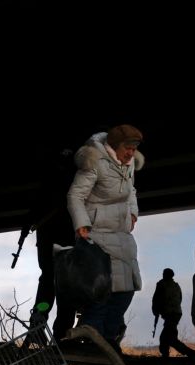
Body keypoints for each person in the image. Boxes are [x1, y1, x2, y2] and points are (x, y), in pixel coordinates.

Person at [67, 124, 144, 350]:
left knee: (125, 292)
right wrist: (82, 223)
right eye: (127, 147)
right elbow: (75, 195)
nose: (131, 153)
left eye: (134, 148)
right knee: (100, 295)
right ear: (114, 146)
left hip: (122, 235)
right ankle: (91, 345)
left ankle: (108, 340)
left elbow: (131, 191)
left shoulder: (129, 164)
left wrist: (133, 212)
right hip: (97, 234)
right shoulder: (95, 161)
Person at [24, 147, 78, 340]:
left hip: (48, 238)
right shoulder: (76, 179)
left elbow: (34, 210)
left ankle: (38, 327)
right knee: (64, 286)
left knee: (48, 283)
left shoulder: (48, 181)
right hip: (65, 239)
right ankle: (61, 333)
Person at [152, 268, 195, 359]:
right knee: (166, 337)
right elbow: (179, 299)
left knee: (170, 339)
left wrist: (157, 312)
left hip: (171, 315)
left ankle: (191, 353)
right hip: (176, 314)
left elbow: (156, 300)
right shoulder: (176, 286)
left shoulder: (161, 285)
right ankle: (165, 354)